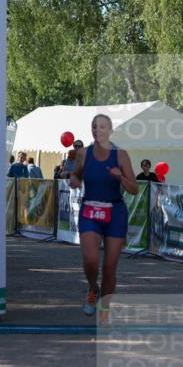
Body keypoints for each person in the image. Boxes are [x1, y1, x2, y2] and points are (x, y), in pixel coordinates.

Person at [70, 113, 138, 317]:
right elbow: (75, 174)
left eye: (102, 127)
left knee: (109, 267)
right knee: (91, 260)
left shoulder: (121, 155)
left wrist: (121, 177)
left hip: (114, 212)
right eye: (94, 127)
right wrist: (74, 180)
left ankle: (105, 307)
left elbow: (134, 189)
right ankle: (92, 289)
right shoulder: (83, 153)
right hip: (90, 211)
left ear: (110, 131)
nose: (97, 131)